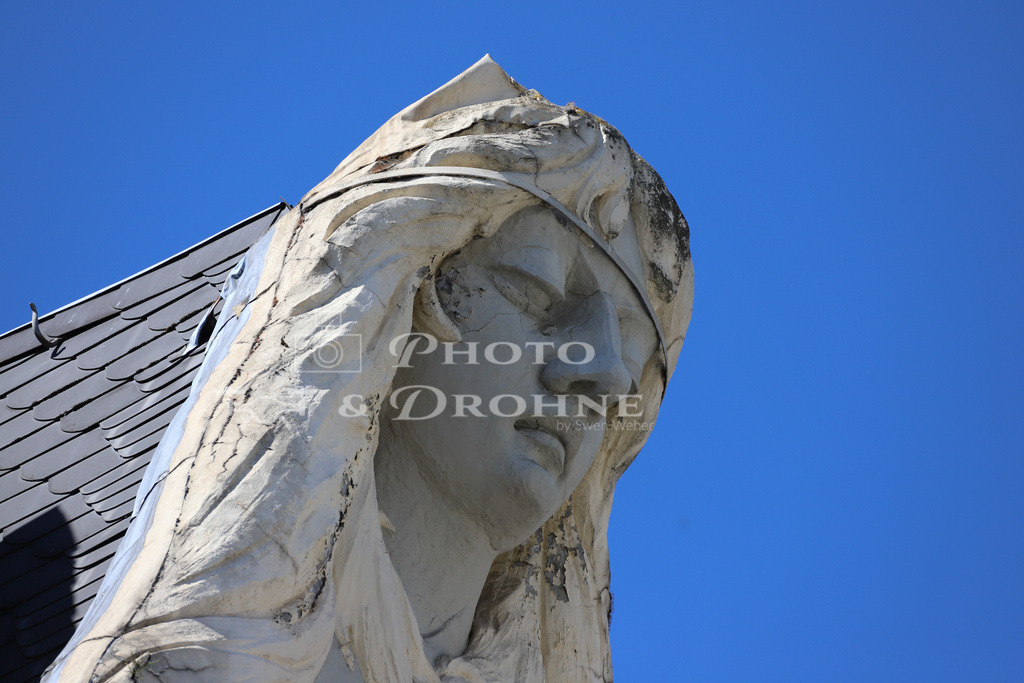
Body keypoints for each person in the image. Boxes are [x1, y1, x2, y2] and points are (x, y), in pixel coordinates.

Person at [45, 55, 693, 682]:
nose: (603, 374)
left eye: (629, 360)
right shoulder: (189, 666)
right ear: (394, 294)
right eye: (534, 288)